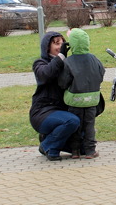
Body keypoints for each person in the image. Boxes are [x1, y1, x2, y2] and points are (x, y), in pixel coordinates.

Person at [30, 31, 80, 161]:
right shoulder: (40, 63)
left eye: (62, 43)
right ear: (47, 46)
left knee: (83, 147)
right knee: (72, 121)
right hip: (43, 113)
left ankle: (49, 138)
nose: (60, 46)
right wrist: (61, 56)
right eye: (56, 43)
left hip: (63, 112)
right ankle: (48, 146)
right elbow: (46, 75)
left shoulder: (67, 63)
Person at [58, 28, 105, 159]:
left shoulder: (68, 62)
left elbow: (63, 82)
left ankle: (75, 151)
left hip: (74, 100)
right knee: (89, 125)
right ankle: (90, 150)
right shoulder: (94, 59)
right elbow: (101, 74)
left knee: (76, 125)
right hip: (92, 99)